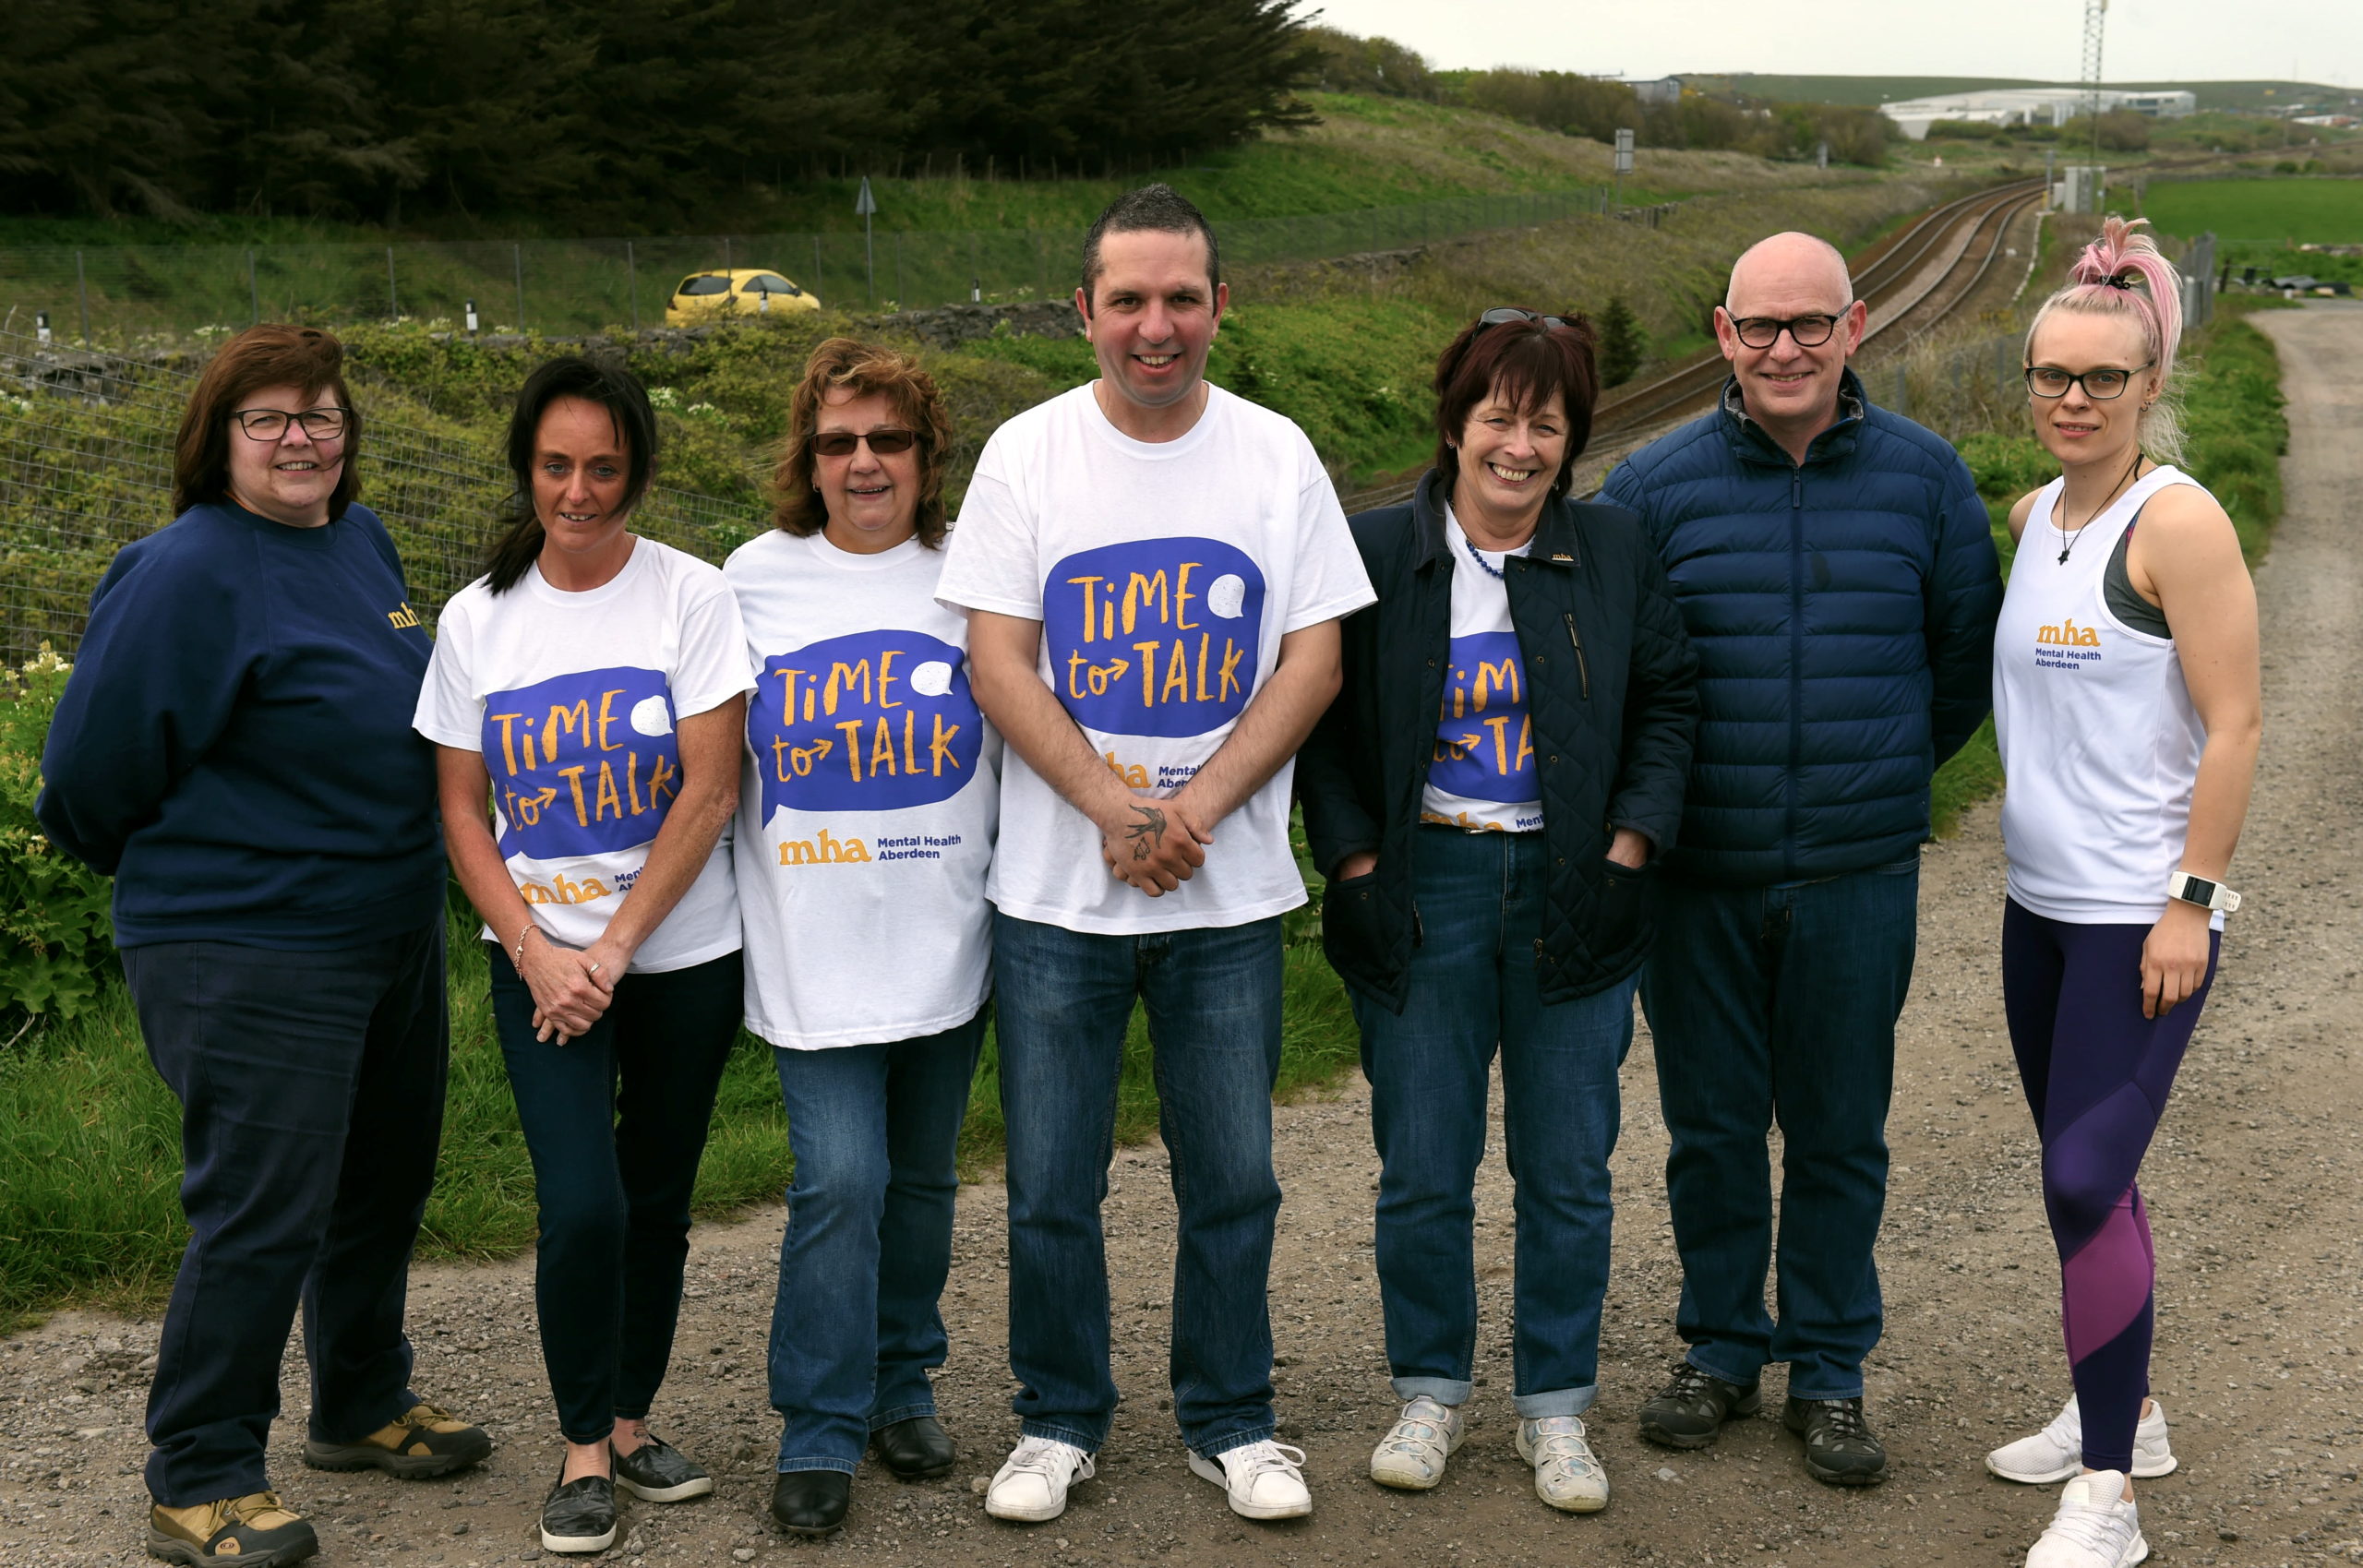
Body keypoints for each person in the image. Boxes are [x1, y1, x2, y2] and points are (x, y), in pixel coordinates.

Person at [936, 184, 1375, 1526]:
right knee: (1052, 1185)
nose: (1155, 324)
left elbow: (1316, 654)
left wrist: (1196, 811)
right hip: (1057, 899)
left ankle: (1233, 1417)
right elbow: (997, 658)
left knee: (1232, 1177)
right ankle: (1057, 1420)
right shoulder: (1025, 453)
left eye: (1182, 296)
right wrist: (1117, 812)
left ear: (1220, 308)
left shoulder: (1276, 454)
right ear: (1084, 312)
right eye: (1127, 298)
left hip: (1228, 895)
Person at [37, 324, 490, 1568]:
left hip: (386, 926)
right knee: (264, 1208)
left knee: (382, 1182)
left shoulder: (360, 540)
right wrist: (216, 870)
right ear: (219, 439)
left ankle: (358, 1402)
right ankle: (201, 1472)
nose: (301, 439)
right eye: (269, 419)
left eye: (322, 416)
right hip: (251, 944)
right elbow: (84, 778)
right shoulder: (186, 570)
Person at [1598, 232, 2002, 1485]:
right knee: (1711, 1126)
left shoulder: (1927, 481)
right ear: (1722, 333)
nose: (1785, 349)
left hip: (1854, 873)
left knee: (1838, 1131)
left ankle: (1828, 1367)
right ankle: (1721, 1347)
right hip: (1697, 874)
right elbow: (1622, 680)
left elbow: (1959, 672)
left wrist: (1872, 786)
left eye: (1809, 325)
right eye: (1760, 327)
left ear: (1855, 327)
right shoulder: (1652, 489)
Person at [1296, 308, 1697, 1514]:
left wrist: (1631, 844)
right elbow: (1318, 725)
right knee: (1423, 1163)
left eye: (1546, 424)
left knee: (1568, 1167)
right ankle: (1429, 1393)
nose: (1519, 446)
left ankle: (1556, 1410)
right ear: (1455, 424)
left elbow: (1670, 696)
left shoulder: (1616, 550)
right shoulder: (1374, 556)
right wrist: (1356, 865)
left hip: (1577, 886)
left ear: (1572, 441)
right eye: (1499, 418)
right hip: (1428, 888)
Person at [414, 357, 750, 1556]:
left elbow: (711, 790)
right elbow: (461, 809)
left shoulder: (690, 597)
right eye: (557, 465)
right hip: (542, 973)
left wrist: (610, 948)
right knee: (582, 1203)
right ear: (528, 470)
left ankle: (628, 1418)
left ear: (640, 473)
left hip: (683, 957)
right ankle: (576, 1454)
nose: (580, 489)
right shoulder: (476, 620)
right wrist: (536, 950)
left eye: (604, 466)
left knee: (656, 1203)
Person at [1981, 217, 2260, 1568]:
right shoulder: (2035, 515)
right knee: (2074, 1181)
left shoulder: (2181, 521)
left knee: (2089, 1174)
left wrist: (2189, 902)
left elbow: (2238, 724)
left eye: (2102, 378)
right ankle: (2126, 1408)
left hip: (2135, 920)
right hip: (2037, 909)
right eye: (2052, 376)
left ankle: (2109, 1497)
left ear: (2149, 384)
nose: (2073, 400)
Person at [726, 338, 1001, 1536]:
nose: (865, 461)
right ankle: (820, 1426)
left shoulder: (976, 576)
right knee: (841, 1180)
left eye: (890, 439)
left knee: (926, 1182)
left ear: (927, 455)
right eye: (840, 441)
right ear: (809, 457)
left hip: (947, 942)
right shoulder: (748, 581)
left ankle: (903, 1385)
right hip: (811, 951)